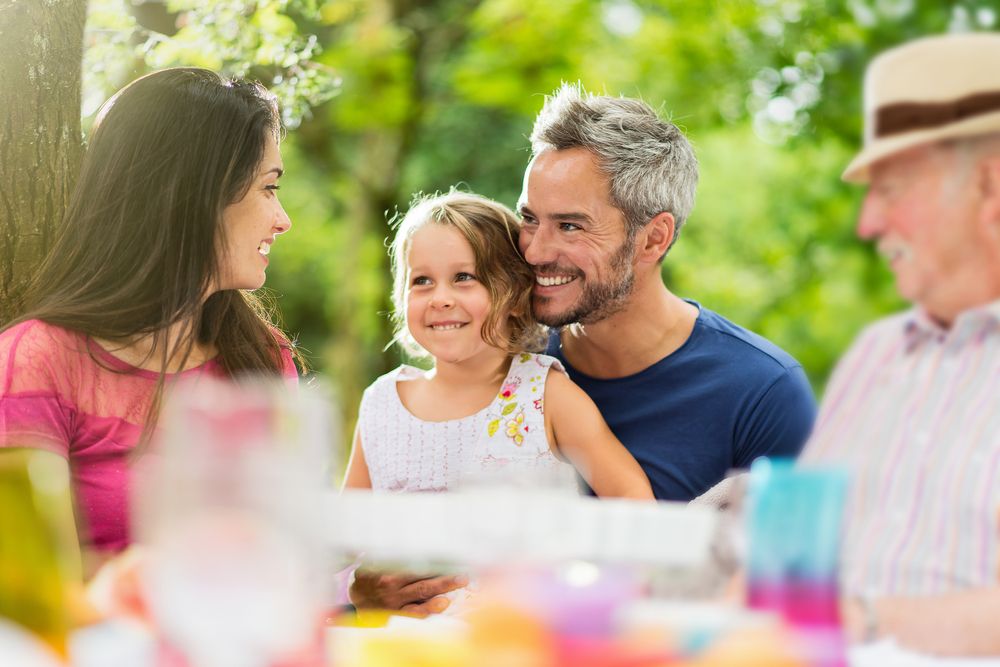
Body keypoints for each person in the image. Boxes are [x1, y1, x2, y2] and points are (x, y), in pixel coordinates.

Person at [349, 88, 817, 611]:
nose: (534, 250)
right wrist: (365, 588)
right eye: (529, 218)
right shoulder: (487, 359)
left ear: (653, 238)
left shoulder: (763, 393)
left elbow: (796, 606)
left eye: (569, 225)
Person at [0, 67, 299, 572]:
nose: (283, 219)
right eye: (268, 188)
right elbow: (31, 587)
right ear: (196, 191)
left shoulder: (265, 360)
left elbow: (288, 559)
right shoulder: (35, 362)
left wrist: (354, 594)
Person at [798, 33, 1000, 656]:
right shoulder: (877, 352)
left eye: (891, 189)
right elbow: (797, 544)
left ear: (990, 189)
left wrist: (859, 620)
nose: (868, 224)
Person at [344, 191, 653, 501]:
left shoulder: (547, 395)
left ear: (516, 297)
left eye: (464, 277)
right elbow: (348, 527)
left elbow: (631, 495)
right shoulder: (381, 403)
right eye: (422, 281)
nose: (440, 299)